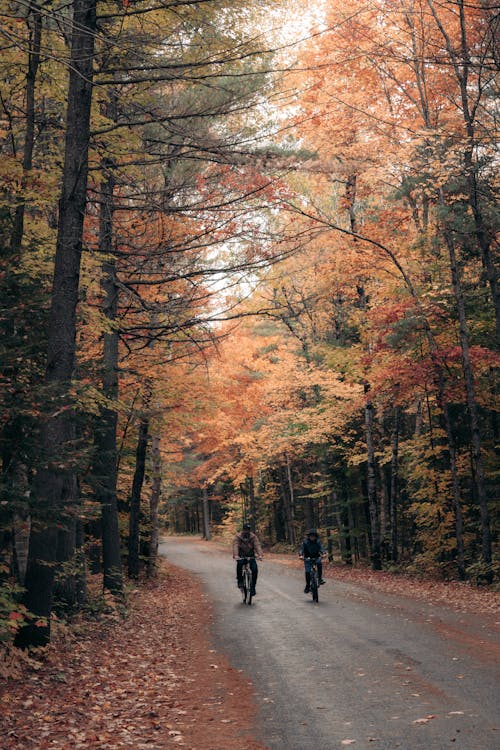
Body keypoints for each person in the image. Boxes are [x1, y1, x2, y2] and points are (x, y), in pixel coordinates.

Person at [232, 523, 263, 596]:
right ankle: (240, 581)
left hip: (251, 555)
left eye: (248, 530)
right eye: (245, 529)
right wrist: (236, 555)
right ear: (243, 530)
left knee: (255, 570)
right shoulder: (238, 537)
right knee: (239, 564)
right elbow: (235, 546)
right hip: (241, 555)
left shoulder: (253, 537)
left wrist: (260, 555)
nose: (247, 531)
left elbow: (257, 545)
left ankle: (253, 587)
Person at [299, 529, 326, 593]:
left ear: (316, 536)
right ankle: (307, 586)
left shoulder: (318, 542)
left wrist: (324, 553)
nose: (312, 537)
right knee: (308, 572)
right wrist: (300, 555)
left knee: (319, 564)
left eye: (314, 536)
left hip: (316, 557)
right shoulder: (305, 542)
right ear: (309, 536)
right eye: (311, 536)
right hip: (307, 558)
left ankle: (320, 579)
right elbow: (301, 549)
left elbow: (321, 548)